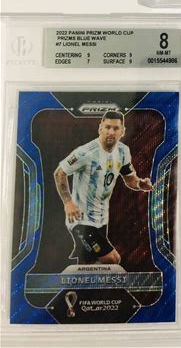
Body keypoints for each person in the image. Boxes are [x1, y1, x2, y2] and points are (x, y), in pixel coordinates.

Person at [54, 111, 153, 265]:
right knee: (112, 259)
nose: (111, 132)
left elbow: (129, 178)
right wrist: (68, 202)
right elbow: (59, 173)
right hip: (81, 219)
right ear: (100, 128)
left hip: (101, 219)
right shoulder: (85, 152)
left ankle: (77, 281)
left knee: (90, 263)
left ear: (122, 131)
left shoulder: (123, 151)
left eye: (115, 128)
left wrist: (140, 184)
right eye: (107, 127)